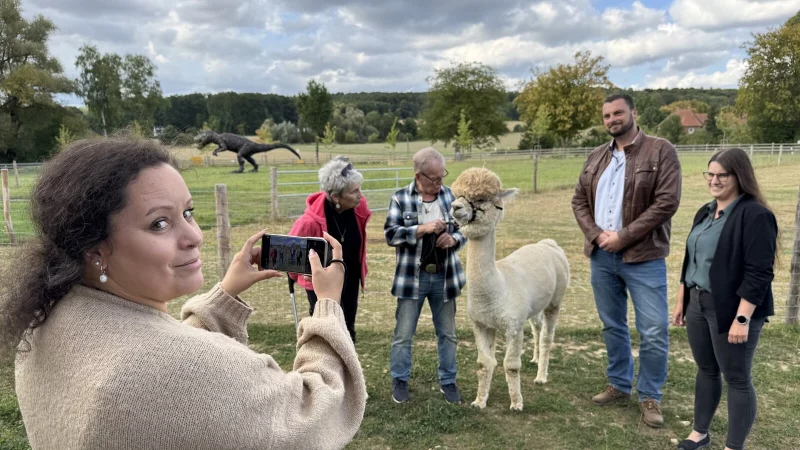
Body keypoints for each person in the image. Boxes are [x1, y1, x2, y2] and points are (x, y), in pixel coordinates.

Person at [0, 137, 366, 450]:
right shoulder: (177, 370)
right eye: (159, 223)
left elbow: (168, 377)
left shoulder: (44, 325)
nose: (195, 236)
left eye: (188, 212)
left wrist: (225, 295)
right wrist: (328, 305)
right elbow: (317, 416)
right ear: (95, 249)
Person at [571, 93, 682, 428]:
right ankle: (619, 384)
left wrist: (624, 236)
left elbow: (666, 202)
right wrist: (596, 234)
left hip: (643, 256)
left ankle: (649, 395)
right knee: (612, 324)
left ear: (634, 112)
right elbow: (578, 200)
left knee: (653, 328)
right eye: (606, 116)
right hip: (602, 257)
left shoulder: (661, 151)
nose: (611, 120)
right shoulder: (595, 157)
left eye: (618, 113)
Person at [672, 148, 778, 450]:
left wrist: (742, 319)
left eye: (722, 175)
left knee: (737, 378)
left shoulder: (755, 215)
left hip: (732, 310)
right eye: (711, 174)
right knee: (706, 370)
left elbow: (759, 273)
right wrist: (682, 301)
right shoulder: (705, 211)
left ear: (739, 176)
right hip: (697, 303)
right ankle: (700, 433)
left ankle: (734, 446)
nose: (714, 180)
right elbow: (690, 259)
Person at [384, 147, 467, 405]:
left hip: (444, 277)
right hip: (412, 279)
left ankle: (448, 381)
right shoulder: (400, 199)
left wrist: (453, 239)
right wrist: (422, 229)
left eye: (442, 177)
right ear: (418, 176)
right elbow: (391, 235)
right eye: (435, 178)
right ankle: (399, 380)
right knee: (404, 334)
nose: (440, 183)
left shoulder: (450, 196)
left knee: (448, 334)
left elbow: (466, 229)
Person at [289, 156, 371, 342]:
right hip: (322, 283)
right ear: (336, 196)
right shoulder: (309, 221)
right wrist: (298, 276)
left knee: (347, 329)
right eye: (354, 191)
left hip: (350, 278)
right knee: (327, 331)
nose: (361, 195)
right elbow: (290, 255)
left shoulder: (358, 207)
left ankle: (347, 369)